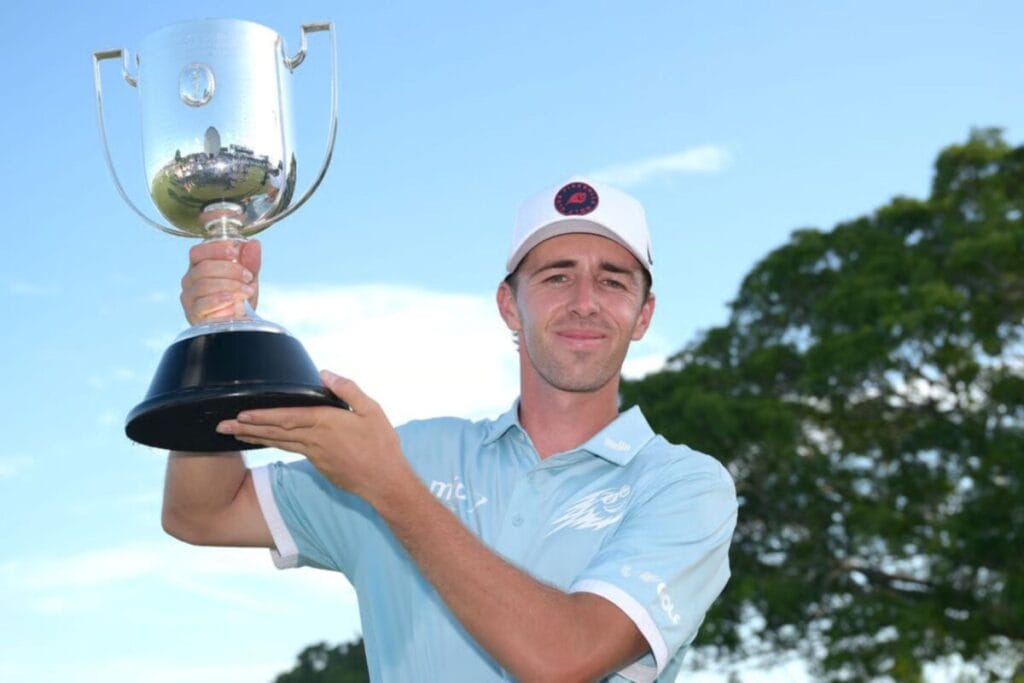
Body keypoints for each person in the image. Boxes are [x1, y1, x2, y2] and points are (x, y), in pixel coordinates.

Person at [163, 177, 738, 682]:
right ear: (509, 305)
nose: (584, 302)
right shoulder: (410, 453)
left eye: (612, 282)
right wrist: (220, 339)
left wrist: (389, 489)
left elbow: (564, 659)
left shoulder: (684, 486)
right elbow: (202, 513)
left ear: (643, 315)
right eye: (556, 277)